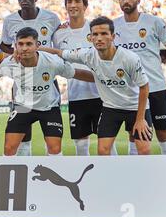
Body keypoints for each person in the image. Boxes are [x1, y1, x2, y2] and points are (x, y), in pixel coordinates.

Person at [39, 16, 153, 155]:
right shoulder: (88, 55)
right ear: (91, 37)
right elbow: (59, 53)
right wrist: (34, 49)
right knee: (103, 151)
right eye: (95, 34)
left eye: (104, 34)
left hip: (135, 108)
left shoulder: (129, 58)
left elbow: (144, 86)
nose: (99, 38)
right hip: (111, 108)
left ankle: (135, 176)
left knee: (144, 150)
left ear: (113, 36)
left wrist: (140, 119)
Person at [0, 27, 94, 156]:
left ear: (37, 45)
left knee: (54, 149)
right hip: (23, 107)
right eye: (20, 44)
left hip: (49, 107)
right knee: (9, 148)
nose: (24, 48)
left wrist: (101, 79)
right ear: (15, 46)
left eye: (29, 44)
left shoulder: (52, 62)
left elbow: (77, 73)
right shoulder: (8, 65)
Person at [114, 0, 166, 155]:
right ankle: (136, 177)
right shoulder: (114, 26)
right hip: (132, 91)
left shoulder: (153, 22)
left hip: (156, 87)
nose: (126, 1)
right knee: (134, 134)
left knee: (163, 133)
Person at [0, 0, 61, 156]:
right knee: (21, 137)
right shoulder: (10, 20)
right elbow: (4, 45)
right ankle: (24, 174)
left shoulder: (51, 18)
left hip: (46, 80)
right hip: (22, 84)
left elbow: (58, 47)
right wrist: (17, 52)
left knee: (52, 143)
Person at [53, 0, 118, 156]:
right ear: (66, 6)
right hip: (76, 96)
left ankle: (114, 178)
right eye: (70, 2)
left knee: (108, 144)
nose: (73, 5)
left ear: (85, 5)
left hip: (101, 95)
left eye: (77, 1)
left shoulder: (95, 29)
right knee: (81, 146)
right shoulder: (59, 34)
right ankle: (87, 180)